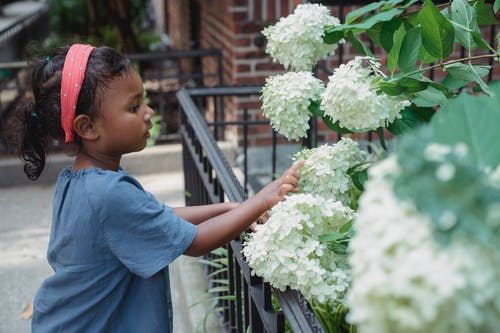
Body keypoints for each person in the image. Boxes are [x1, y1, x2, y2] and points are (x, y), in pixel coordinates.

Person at [13, 44, 302, 332]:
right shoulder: (107, 192)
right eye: (134, 106)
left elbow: (158, 217)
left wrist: (231, 208)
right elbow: (196, 242)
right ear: (87, 127)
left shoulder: (79, 178)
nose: (148, 112)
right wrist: (263, 200)